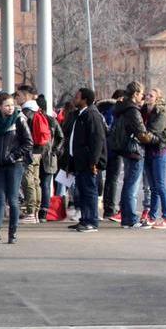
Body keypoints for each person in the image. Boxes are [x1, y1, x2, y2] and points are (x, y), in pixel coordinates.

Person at [0, 93, 33, 245]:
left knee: (13, 199)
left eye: (12, 105)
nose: (10, 108)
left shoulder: (19, 119)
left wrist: (13, 156)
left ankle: (13, 232)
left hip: (14, 164)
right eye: (7, 105)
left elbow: (28, 142)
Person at [63, 87, 107, 233]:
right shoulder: (79, 115)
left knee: (89, 191)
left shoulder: (92, 115)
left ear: (85, 100)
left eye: (77, 97)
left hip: (88, 161)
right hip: (78, 161)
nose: (75, 99)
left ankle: (91, 221)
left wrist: (93, 161)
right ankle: (84, 219)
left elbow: (97, 140)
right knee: (82, 191)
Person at [110, 82, 152, 228]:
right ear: (135, 94)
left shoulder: (121, 108)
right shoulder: (133, 111)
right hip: (134, 151)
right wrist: (153, 138)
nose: (143, 97)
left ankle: (126, 217)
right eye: (141, 94)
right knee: (131, 186)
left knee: (128, 184)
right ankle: (130, 219)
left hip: (125, 149)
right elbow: (141, 133)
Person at [15, 85, 49, 223]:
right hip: (38, 150)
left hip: (29, 151)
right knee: (36, 181)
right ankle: (35, 210)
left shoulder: (25, 113)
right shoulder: (38, 111)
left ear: (26, 95)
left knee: (28, 181)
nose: (16, 98)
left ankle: (31, 212)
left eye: (18, 95)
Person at [141, 87, 166, 230]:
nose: (147, 97)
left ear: (158, 99)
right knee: (152, 187)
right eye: (147, 95)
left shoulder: (161, 114)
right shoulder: (143, 111)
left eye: (151, 96)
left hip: (159, 151)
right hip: (148, 151)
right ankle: (152, 217)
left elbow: (152, 131)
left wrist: (140, 135)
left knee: (160, 185)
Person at [37, 94, 65, 222]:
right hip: (46, 156)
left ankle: (43, 209)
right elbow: (61, 137)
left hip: (46, 156)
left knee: (44, 184)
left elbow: (61, 137)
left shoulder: (49, 120)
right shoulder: (49, 120)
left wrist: (55, 150)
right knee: (43, 184)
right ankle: (42, 209)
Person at [100, 88, 126, 222]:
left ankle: (107, 208)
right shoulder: (114, 111)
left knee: (106, 180)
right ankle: (109, 209)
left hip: (103, 149)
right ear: (121, 99)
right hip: (114, 150)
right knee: (112, 180)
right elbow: (112, 130)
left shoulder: (102, 109)